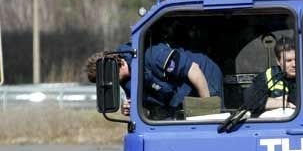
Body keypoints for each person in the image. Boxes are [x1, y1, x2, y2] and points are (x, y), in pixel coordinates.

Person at [87, 42, 223, 119]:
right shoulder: (126, 82)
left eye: (109, 78)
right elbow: (150, 109)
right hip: (178, 97)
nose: (111, 83)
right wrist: (132, 109)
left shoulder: (153, 56)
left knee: (209, 121)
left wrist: (208, 109)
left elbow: (194, 71)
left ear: (119, 63)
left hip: (204, 75)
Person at [242, 36, 303, 117]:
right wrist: (284, 103)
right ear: (278, 61)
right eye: (288, 61)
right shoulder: (270, 75)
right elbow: (250, 101)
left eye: (297, 59)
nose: (294, 64)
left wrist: (270, 102)